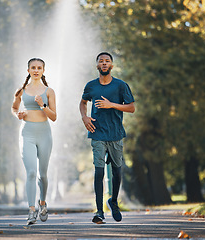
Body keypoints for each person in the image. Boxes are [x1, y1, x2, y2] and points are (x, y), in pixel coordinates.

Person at [79, 52, 135, 224]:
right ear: (97, 65)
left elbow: (131, 108)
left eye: (107, 61)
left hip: (116, 134)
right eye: (101, 61)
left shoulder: (120, 85)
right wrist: (84, 117)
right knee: (99, 171)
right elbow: (82, 102)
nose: (104, 63)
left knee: (117, 170)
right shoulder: (91, 86)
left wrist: (111, 105)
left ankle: (113, 201)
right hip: (97, 133)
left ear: (111, 65)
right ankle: (99, 211)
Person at [11, 58, 57, 225]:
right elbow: (14, 107)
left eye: (39, 68)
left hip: (44, 134)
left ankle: (42, 204)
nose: (36, 70)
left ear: (43, 70)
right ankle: (31, 210)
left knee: (42, 175)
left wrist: (42, 104)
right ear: (28, 70)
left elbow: (54, 117)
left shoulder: (49, 91)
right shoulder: (21, 90)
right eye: (33, 67)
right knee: (31, 172)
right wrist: (18, 115)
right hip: (26, 134)